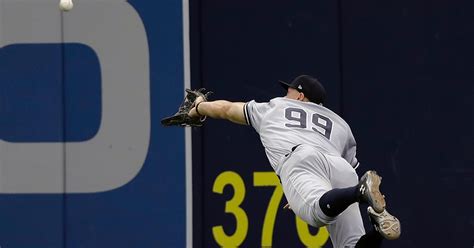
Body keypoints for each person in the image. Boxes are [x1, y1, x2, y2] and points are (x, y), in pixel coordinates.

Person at [188, 75, 401, 247]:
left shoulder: (276, 107)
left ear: (300, 96)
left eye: (288, 90)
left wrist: (199, 107)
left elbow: (226, 109)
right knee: (352, 245)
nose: (284, 93)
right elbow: (341, 168)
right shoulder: (341, 125)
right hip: (341, 167)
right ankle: (378, 228)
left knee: (317, 216)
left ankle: (359, 193)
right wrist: (310, 190)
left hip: (301, 159)